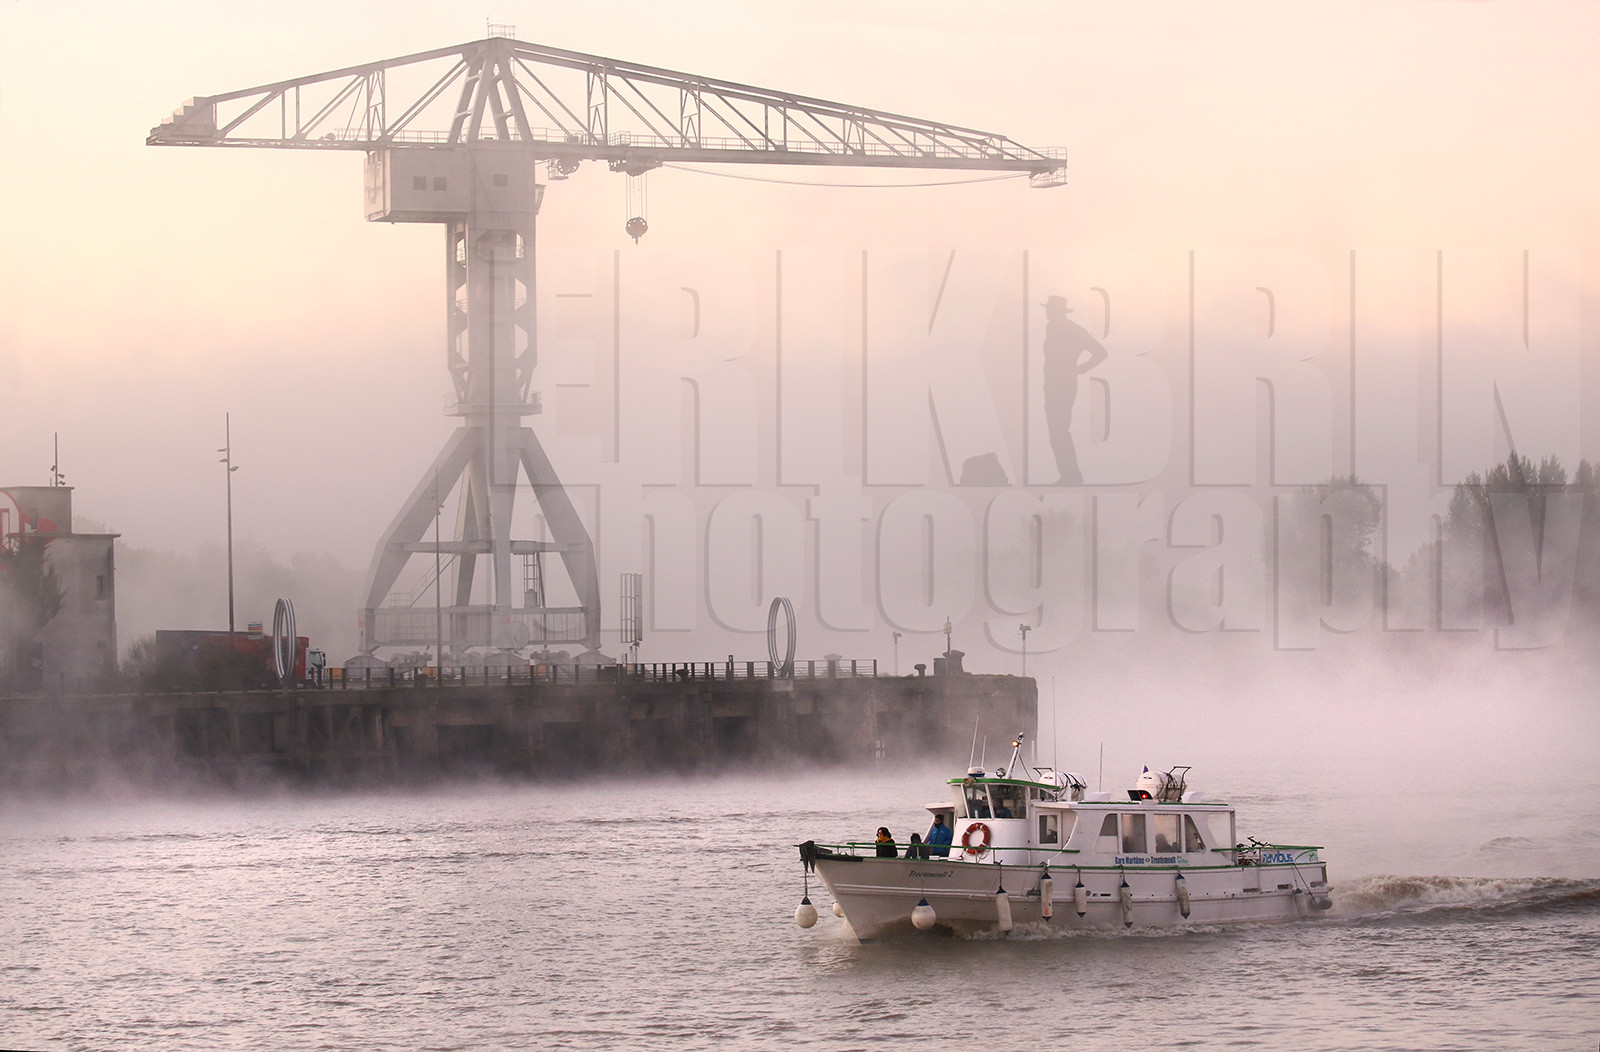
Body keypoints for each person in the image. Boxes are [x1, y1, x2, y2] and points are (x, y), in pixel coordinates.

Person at [1040, 294, 1108, 485]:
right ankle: (1069, 474)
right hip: (1055, 383)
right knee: (1057, 431)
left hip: (1061, 385)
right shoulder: (1054, 327)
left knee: (1059, 430)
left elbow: (1101, 352)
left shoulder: (1071, 330)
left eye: (1049, 309)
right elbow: (1100, 353)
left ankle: (1071, 475)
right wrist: (1078, 369)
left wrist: (1079, 369)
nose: (1047, 313)